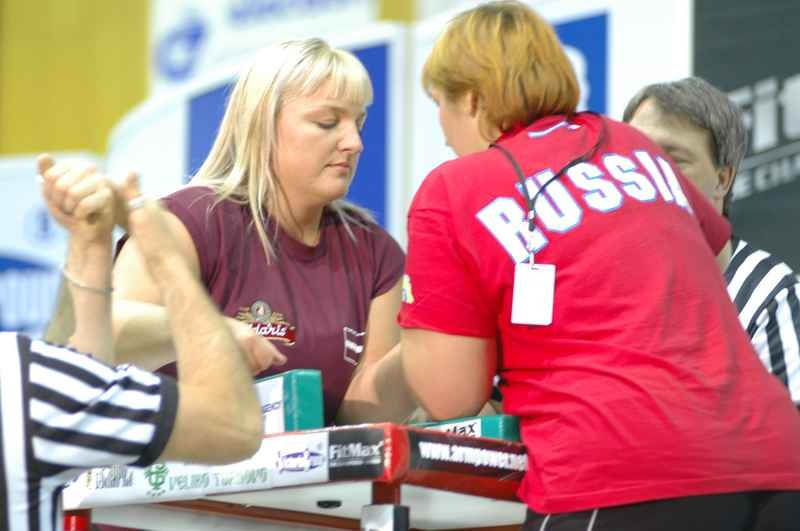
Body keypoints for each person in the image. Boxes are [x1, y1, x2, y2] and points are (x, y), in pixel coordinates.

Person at [397, 2, 800, 530]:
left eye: (439, 105)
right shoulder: (631, 144)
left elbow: (450, 396)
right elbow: (713, 252)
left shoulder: (453, 189)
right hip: (771, 466)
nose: (443, 132)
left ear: (471, 99)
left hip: (619, 472)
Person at [110, 38, 414, 426]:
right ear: (262, 124)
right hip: (180, 459)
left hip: (310, 468)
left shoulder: (376, 253)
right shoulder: (190, 221)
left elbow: (361, 414)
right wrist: (212, 330)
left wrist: (424, 349)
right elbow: (111, 333)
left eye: (360, 123)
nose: (354, 143)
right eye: (327, 122)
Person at [0, 155, 283, 531]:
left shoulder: (29, 387)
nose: (352, 145)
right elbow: (235, 426)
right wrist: (162, 253)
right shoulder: (21, 387)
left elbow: (83, 387)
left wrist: (91, 244)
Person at [623, 76, 800, 407]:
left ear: (722, 179)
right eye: (636, 155)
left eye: (674, 160)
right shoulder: (594, 280)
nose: (648, 173)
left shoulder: (770, 295)